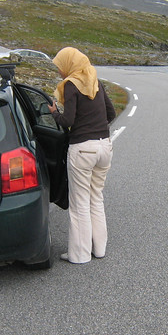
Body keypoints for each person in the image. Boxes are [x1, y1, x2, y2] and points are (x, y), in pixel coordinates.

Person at [48, 47, 116, 264]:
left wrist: (54, 113)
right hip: (104, 146)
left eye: (60, 67)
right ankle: (99, 249)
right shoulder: (94, 80)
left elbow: (68, 121)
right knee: (96, 198)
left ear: (69, 64)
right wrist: (96, 128)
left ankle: (79, 255)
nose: (60, 72)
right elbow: (112, 113)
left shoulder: (71, 85)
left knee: (79, 204)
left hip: (83, 150)